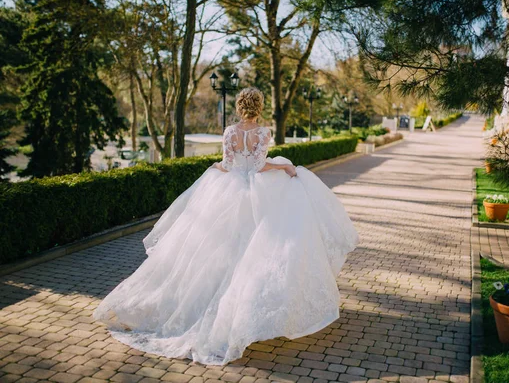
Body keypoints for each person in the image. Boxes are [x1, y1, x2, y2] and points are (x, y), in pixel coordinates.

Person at [92, 87, 359, 366]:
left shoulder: (230, 132)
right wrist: (282, 168)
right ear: (259, 106)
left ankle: (204, 307)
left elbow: (228, 164)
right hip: (256, 193)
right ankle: (241, 313)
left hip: (230, 191)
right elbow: (258, 166)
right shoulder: (263, 133)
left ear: (240, 106)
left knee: (216, 250)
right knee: (258, 246)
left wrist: (213, 171)